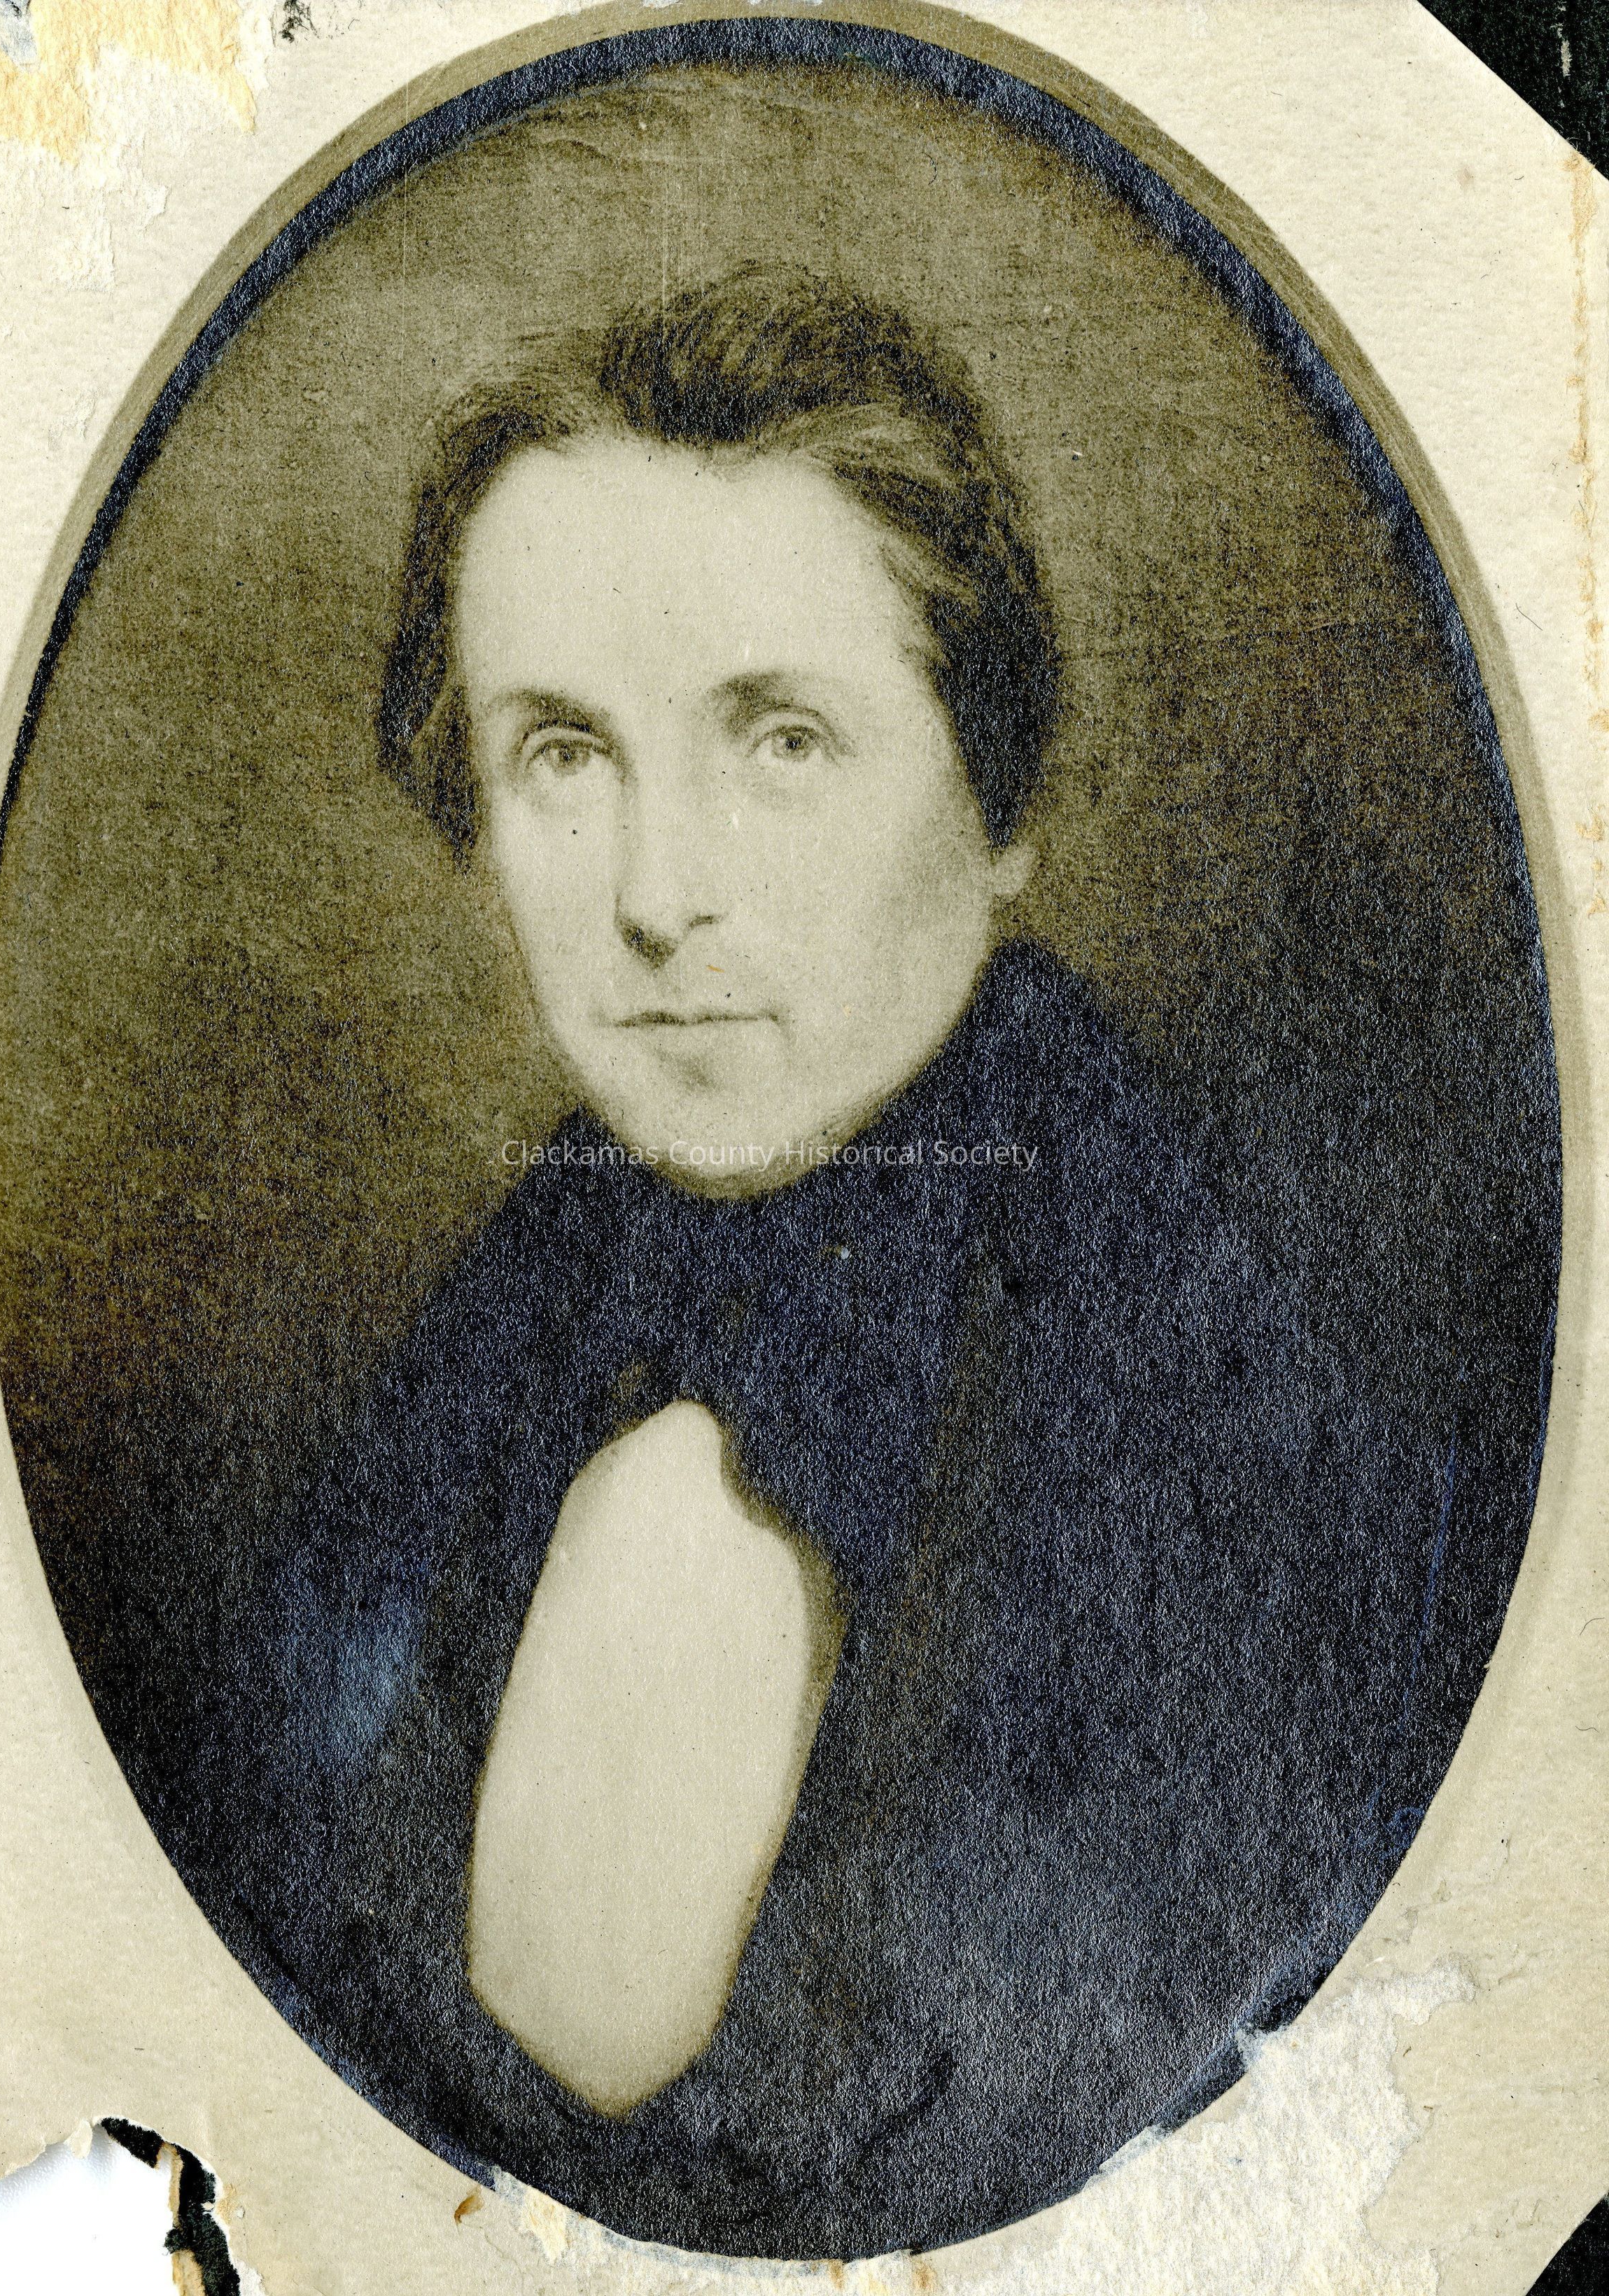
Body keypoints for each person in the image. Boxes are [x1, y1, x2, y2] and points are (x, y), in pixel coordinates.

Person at [223, 268, 1451, 2258]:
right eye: (563, 753)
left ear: (996, 800)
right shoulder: (540, 1280)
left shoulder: (1182, 1387)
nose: (655, 896)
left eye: (781, 739)